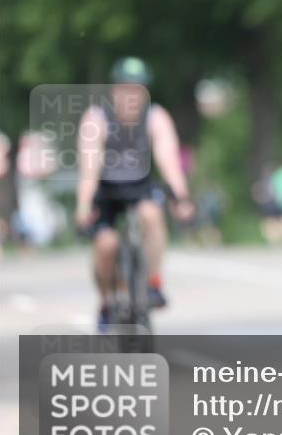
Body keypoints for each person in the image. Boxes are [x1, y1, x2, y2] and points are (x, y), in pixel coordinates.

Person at [76, 57, 195, 329]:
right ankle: (106, 301)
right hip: (106, 193)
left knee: (152, 215)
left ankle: (152, 283)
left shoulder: (156, 117)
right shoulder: (97, 118)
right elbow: (89, 167)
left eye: (138, 89)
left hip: (140, 188)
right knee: (106, 246)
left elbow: (168, 161)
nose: (131, 96)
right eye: (125, 88)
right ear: (114, 90)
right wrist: (83, 205)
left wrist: (182, 197)